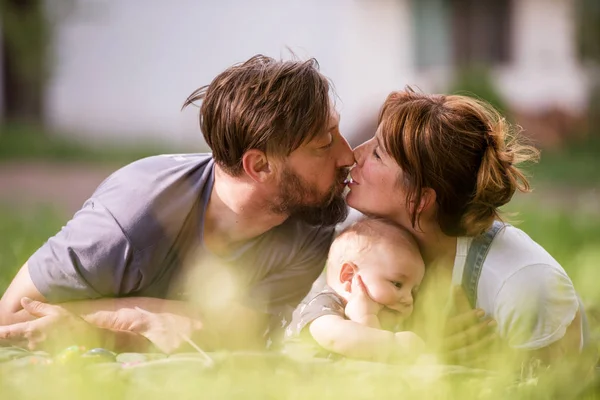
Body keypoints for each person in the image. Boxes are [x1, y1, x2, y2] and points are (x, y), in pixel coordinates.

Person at [0, 54, 355, 353]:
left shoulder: (312, 223)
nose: (348, 155)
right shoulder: (132, 217)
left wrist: (118, 320)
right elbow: (11, 319)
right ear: (259, 166)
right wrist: (151, 319)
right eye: (324, 144)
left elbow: (237, 336)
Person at [345, 87, 589, 367]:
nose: (355, 154)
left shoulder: (524, 285)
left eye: (377, 154)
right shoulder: (364, 246)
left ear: (419, 198)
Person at [285, 217, 425, 363]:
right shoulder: (323, 305)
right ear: (349, 276)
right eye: (397, 284)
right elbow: (335, 338)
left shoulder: (385, 317)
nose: (408, 299)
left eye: (413, 291)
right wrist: (394, 344)